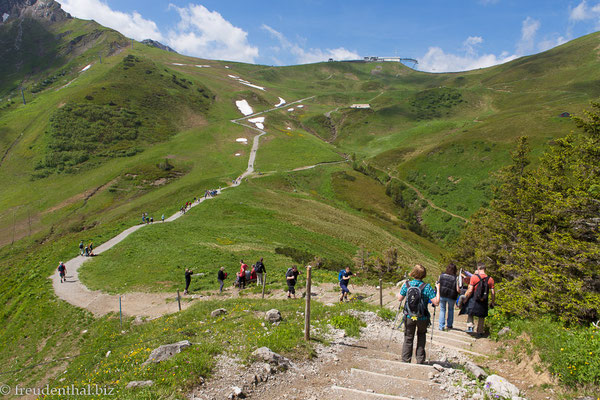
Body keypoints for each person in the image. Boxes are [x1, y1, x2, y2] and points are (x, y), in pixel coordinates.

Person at [397, 264, 439, 364]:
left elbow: (399, 298)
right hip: (422, 317)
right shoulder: (427, 287)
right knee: (421, 336)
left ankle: (405, 359)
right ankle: (420, 359)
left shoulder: (407, 284)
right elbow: (436, 302)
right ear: (424, 275)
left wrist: (402, 288)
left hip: (409, 316)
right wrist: (438, 289)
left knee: (408, 337)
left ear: (413, 272)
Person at [464, 263, 495, 337]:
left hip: (474, 298)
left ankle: (470, 326)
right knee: (482, 316)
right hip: (484, 299)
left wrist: (466, 298)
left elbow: (470, 289)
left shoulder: (474, 277)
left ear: (478, 268)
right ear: (485, 269)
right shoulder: (490, 279)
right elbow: (493, 292)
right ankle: (480, 331)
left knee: (470, 312)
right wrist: (492, 302)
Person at [437, 263, 460, 331]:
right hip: (452, 295)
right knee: (450, 309)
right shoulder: (456, 278)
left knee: (442, 309)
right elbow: (457, 289)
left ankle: (441, 326)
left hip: (442, 294)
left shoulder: (441, 276)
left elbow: (438, 284)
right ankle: (449, 325)